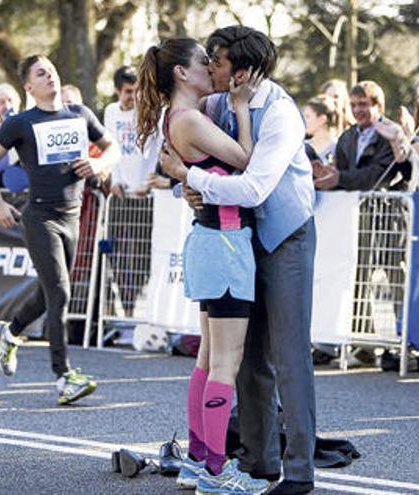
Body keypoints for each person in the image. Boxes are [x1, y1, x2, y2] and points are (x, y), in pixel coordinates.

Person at [160, 25, 317, 495]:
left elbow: (252, 187)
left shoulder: (283, 115)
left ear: (242, 71)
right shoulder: (215, 103)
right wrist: (185, 186)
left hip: (285, 236)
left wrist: (190, 179)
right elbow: (189, 161)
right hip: (238, 240)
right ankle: (258, 460)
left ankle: (301, 471)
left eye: (219, 61)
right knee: (246, 358)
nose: (210, 67)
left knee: (289, 356)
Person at [136, 38, 269, 495]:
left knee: (209, 359)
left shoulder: (183, 117)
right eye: (202, 62)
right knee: (224, 364)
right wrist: (244, 107)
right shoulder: (190, 118)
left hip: (210, 241)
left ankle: (199, 461)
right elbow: (248, 162)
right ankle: (215, 470)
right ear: (180, 73)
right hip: (225, 245)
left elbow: (204, 175)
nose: (209, 67)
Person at [0, 54, 118, 405]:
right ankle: (63, 376)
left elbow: (112, 147)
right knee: (60, 294)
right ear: (29, 86)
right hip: (39, 217)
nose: (50, 76)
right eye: (41, 73)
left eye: (52, 70)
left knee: (47, 294)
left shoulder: (80, 114)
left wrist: (99, 162)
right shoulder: (21, 123)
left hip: (73, 216)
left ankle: (9, 332)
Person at [315, 80, 411, 191]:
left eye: (363, 104)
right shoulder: (346, 137)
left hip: (383, 204)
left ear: (378, 106)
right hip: (351, 205)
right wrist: (324, 175)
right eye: (353, 105)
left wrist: (341, 178)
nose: (357, 110)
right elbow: (339, 176)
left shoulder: (392, 133)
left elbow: (380, 176)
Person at [106, 65, 161, 197]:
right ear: (117, 91)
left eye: (137, 90)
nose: (134, 96)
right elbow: (111, 147)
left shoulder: (149, 111)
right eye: (129, 92)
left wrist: (150, 180)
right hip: (123, 190)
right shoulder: (111, 111)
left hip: (147, 190)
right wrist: (115, 180)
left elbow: (158, 146)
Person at [303, 95, 338, 164]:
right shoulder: (301, 147)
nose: (303, 120)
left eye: (307, 116)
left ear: (322, 119)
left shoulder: (337, 149)